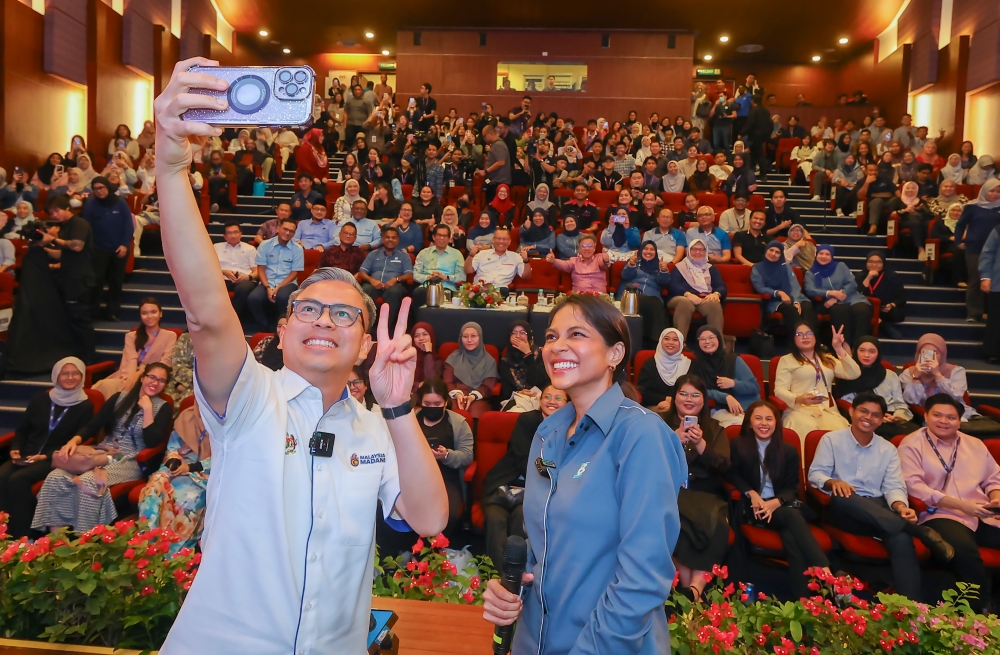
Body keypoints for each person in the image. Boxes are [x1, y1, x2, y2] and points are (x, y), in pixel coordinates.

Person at [155, 58, 448, 653]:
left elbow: (430, 520)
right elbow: (209, 312)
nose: (324, 321)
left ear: (365, 346)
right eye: (308, 309)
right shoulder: (249, 399)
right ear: (282, 333)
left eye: (345, 314)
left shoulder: (376, 429)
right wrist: (170, 165)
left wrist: (397, 410)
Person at [483, 294, 684, 654]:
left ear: (615, 354)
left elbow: (643, 578)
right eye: (550, 337)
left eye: (576, 334)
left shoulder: (641, 434)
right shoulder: (546, 434)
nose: (557, 346)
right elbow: (542, 544)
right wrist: (512, 591)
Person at [808, 392, 950, 601]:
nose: (868, 417)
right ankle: (919, 531)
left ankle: (910, 608)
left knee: (901, 538)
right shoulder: (831, 440)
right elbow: (815, 475)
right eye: (863, 411)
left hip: (879, 510)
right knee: (844, 495)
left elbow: (894, 486)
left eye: (875, 414)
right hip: (845, 509)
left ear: (882, 419)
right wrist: (833, 482)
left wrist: (901, 507)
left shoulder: (888, 448)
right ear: (851, 411)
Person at [32, 362, 172, 533]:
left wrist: (148, 409)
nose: (155, 382)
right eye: (152, 377)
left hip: (131, 460)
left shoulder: (163, 407)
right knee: (56, 476)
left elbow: (152, 441)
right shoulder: (120, 398)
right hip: (102, 452)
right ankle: (57, 541)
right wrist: (73, 441)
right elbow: (94, 424)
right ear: (142, 377)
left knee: (90, 482)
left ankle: (85, 539)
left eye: (161, 380)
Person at [898, 393, 1000, 613]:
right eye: (937, 415)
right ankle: (979, 614)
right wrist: (961, 506)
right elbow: (913, 486)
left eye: (950, 417)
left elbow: (993, 478)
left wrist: (995, 497)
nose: (944, 421)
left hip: (981, 512)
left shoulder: (975, 444)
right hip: (939, 513)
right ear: (925, 415)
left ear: (959, 420)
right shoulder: (911, 444)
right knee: (965, 553)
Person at [727, 401, 831, 599]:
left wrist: (776, 502)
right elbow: (732, 475)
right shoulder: (739, 445)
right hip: (752, 508)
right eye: (758, 418)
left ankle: (802, 598)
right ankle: (825, 571)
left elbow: (792, 488)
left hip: (779, 508)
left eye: (769, 418)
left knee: (791, 531)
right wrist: (752, 494)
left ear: (777, 423)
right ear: (749, 422)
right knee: (792, 519)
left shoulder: (788, 450)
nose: (763, 423)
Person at [0, 358, 94, 538]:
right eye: (64, 373)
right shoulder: (40, 399)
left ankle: (24, 536)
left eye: (75, 373)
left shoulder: (85, 405)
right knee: (2, 475)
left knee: (18, 480)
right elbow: (23, 430)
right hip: (28, 453)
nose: (70, 377)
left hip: (57, 458)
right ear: (56, 376)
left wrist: (46, 456)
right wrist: (16, 448)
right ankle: (5, 530)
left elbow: (81, 441)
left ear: (82, 376)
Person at [660, 374, 730, 603]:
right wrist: (674, 440)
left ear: (704, 400)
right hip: (671, 492)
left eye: (695, 395)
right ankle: (694, 593)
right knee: (675, 519)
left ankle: (691, 591)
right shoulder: (659, 424)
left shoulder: (715, 428)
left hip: (706, 494)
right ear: (675, 396)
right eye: (683, 394)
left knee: (718, 523)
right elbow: (649, 461)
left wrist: (701, 444)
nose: (689, 399)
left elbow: (723, 466)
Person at [137, 402, 212, 554]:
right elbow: (172, 447)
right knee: (152, 490)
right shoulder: (187, 416)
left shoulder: (224, 422)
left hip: (204, 473)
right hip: (178, 466)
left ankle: (171, 555)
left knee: (186, 502)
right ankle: (148, 547)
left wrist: (190, 468)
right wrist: (175, 460)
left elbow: (225, 456)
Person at [773, 321, 860, 441]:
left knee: (840, 431)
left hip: (827, 410)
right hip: (799, 410)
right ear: (793, 339)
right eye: (799, 334)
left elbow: (854, 373)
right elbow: (779, 390)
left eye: (809, 333)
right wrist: (798, 399)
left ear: (815, 336)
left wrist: (838, 348)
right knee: (809, 430)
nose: (805, 337)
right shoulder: (787, 360)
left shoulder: (827, 358)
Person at [900, 334, 1000, 438]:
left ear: (943, 354)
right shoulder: (910, 373)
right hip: (928, 418)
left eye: (935, 353)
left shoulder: (956, 371)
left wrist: (938, 375)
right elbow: (911, 401)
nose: (930, 358)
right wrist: (916, 378)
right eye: (924, 353)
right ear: (918, 354)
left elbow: (955, 396)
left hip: (959, 415)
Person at [37, 194, 96, 363]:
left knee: (80, 320)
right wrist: (44, 248)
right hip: (69, 277)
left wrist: (53, 239)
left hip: (80, 279)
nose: (54, 215)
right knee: (72, 319)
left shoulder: (79, 223)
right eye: (51, 213)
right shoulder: (64, 226)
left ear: (67, 208)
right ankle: (78, 355)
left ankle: (89, 358)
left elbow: (77, 246)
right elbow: (63, 254)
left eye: (57, 211)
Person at [413, 379, 474, 540]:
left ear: (445, 403)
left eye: (436, 404)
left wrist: (446, 455)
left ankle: (439, 557)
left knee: (448, 515)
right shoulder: (411, 419)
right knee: (409, 512)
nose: (432, 408)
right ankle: (411, 554)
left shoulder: (459, 423)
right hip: (415, 477)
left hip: (446, 478)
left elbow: (467, 455)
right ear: (421, 402)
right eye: (427, 403)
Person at [92, 297, 177, 398]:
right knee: (105, 386)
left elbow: (165, 362)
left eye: (153, 312)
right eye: (144, 313)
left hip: (153, 378)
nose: (149, 316)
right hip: (128, 375)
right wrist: (130, 379)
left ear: (160, 313)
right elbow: (130, 359)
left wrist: (141, 373)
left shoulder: (170, 335)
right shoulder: (131, 336)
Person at [837, 338, 919, 437]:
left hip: (890, 416)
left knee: (919, 434)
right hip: (865, 417)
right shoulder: (848, 374)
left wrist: (897, 417)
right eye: (862, 350)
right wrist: (875, 416)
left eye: (872, 351)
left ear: (878, 353)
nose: (866, 355)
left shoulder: (890, 375)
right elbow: (847, 403)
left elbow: (900, 403)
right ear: (855, 352)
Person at [81, 176, 131, 322]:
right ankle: (93, 311)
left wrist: (124, 244)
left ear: (107, 187)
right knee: (96, 281)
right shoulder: (91, 206)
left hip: (119, 249)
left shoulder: (120, 203)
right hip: (99, 250)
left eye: (101, 187)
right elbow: (87, 228)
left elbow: (128, 224)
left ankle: (112, 312)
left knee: (116, 282)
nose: (99, 191)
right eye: (95, 189)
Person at [689, 326, 760, 427]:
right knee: (739, 427)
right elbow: (697, 390)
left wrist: (733, 383)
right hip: (721, 410)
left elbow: (754, 387)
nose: (707, 341)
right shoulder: (696, 364)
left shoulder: (733, 360)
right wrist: (726, 397)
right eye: (702, 339)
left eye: (711, 337)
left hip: (748, 407)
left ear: (719, 339)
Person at [805, 245, 872, 347]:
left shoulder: (841, 266)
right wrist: (830, 293)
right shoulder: (810, 273)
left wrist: (840, 295)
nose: (824, 256)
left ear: (832, 256)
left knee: (862, 309)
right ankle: (845, 346)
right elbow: (810, 290)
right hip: (829, 302)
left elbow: (852, 283)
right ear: (816, 255)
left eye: (827, 254)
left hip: (851, 297)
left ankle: (859, 347)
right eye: (821, 253)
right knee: (841, 311)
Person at [247, 217, 304, 332]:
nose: (287, 233)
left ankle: (281, 328)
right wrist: (268, 287)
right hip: (266, 281)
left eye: (291, 231)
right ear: (278, 228)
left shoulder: (298, 249)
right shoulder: (265, 245)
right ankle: (264, 327)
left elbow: (294, 273)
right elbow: (261, 270)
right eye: (285, 229)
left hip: (287, 283)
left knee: (283, 296)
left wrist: (277, 288)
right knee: (253, 298)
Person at [954, 179, 1000, 322]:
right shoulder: (972, 206)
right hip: (975, 248)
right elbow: (960, 225)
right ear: (985, 190)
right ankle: (974, 313)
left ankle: (989, 312)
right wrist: (958, 241)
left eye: (998, 191)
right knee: (976, 279)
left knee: (995, 281)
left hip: (996, 250)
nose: (995, 194)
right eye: (992, 191)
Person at [752, 240, 815, 335]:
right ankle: (797, 342)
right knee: (790, 309)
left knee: (806, 307)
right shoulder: (757, 268)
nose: (773, 254)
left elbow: (795, 286)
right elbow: (760, 288)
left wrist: (796, 301)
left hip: (795, 297)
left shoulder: (786, 267)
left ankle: (815, 343)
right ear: (766, 251)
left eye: (777, 252)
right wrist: (779, 293)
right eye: (771, 250)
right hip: (774, 300)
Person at [667, 239, 726, 338]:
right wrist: (688, 294)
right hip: (682, 296)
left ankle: (717, 344)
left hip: (704, 298)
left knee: (714, 304)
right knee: (684, 302)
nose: (698, 252)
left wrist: (716, 293)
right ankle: (680, 343)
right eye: (694, 249)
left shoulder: (711, 268)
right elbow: (673, 285)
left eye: (701, 249)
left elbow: (721, 286)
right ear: (689, 251)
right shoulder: (680, 266)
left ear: (705, 251)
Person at [358, 226, 413, 329]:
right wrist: (372, 280)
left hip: (394, 286)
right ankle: (366, 326)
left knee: (394, 292)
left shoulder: (404, 256)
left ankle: (385, 328)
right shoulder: (373, 254)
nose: (390, 240)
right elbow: (362, 272)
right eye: (387, 237)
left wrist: (396, 279)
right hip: (374, 285)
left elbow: (409, 274)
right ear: (383, 239)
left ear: (398, 240)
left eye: (393, 237)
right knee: (365, 289)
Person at [618, 240, 671, 347]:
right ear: (641, 251)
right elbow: (625, 276)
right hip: (632, 295)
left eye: (652, 249)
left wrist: (664, 271)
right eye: (646, 249)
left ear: (656, 252)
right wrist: (631, 265)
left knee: (655, 303)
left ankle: (653, 343)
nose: (649, 251)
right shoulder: (633, 262)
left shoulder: (659, 266)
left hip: (652, 297)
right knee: (651, 303)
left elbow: (665, 282)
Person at [444, 322, 497, 419]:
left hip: (477, 398)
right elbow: (447, 382)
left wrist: (473, 396)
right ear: (461, 338)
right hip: (455, 396)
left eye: (473, 336)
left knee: (477, 413)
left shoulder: (489, 361)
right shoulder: (453, 358)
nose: (469, 340)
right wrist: (457, 393)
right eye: (465, 336)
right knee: (454, 414)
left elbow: (487, 386)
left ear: (480, 337)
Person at [498, 321, 550, 410]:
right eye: (514, 333)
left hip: (540, 397)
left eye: (522, 332)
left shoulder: (541, 354)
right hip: (517, 398)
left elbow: (541, 381)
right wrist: (520, 392)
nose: (518, 336)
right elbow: (505, 392)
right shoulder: (506, 360)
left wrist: (528, 354)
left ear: (529, 336)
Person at [411, 224, 465, 306]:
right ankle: (420, 318)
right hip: (427, 286)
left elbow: (462, 276)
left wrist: (446, 277)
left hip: (447, 287)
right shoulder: (424, 253)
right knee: (418, 293)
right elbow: (415, 274)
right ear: (433, 237)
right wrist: (428, 278)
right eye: (439, 235)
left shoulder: (457, 254)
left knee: (445, 296)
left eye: (445, 236)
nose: (442, 238)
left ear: (449, 238)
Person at [856, 251, 906, 339]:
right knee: (862, 310)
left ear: (883, 263)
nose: (874, 264)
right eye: (870, 261)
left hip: (885, 309)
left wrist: (891, 305)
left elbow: (901, 298)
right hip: (867, 308)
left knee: (895, 312)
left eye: (878, 262)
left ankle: (880, 323)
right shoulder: (859, 276)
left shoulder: (892, 277)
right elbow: (857, 294)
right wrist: (868, 278)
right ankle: (884, 326)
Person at [465, 228, 532, 293]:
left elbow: (526, 276)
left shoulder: (515, 257)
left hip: (500, 292)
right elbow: (467, 271)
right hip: (480, 289)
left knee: (503, 291)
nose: (501, 241)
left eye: (504, 239)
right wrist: (471, 255)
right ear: (493, 240)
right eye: (498, 238)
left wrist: (526, 260)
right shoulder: (482, 254)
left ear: (509, 241)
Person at [638, 328, 690, 412]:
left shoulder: (689, 364)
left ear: (681, 343)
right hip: (655, 407)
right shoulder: (650, 364)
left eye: (675, 339)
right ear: (660, 341)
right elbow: (644, 393)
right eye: (666, 339)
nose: (670, 342)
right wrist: (665, 399)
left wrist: (673, 403)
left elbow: (695, 391)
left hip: (683, 407)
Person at [545, 234, 610, 293]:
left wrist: (606, 260)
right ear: (579, 248)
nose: (587, 248)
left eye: (590, 246)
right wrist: (553, 260)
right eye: (584, 246)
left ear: (594, 248)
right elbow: (564, 265)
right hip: (580, 298)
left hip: (599, 298)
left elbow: (604, 264)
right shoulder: (573, 261)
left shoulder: (600, 258)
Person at [982, 225, 1000, 363]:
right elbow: (988, 253)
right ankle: (993, 352)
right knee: (995, 319)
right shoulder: (998, 230)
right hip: (998, 282)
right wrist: (986, 276)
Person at [410, 322, 444, 394]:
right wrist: (418, 385)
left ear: (431, 336)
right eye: (416, 336)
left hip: (428, 398)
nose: (421, 338)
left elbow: (432, 382)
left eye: (425, 334)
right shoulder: (407, 357)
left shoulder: (437, 360)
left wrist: (428, 353)